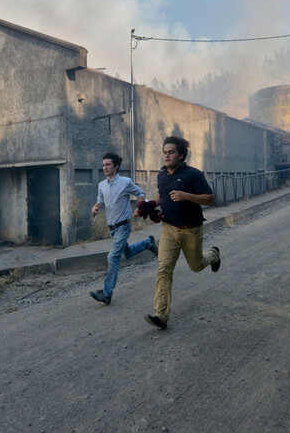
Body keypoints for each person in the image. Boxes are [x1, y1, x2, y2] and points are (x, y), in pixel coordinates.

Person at [145, 136, 221, 329]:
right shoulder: (161, 176)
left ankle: (213, 255)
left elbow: (211, 199)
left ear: (181, 155)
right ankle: (161, 315)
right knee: (164, 269)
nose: (166, 155)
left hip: (191, 229)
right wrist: (149, 205)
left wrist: (186, 196)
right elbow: (162, 195)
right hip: (169, 229)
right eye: (164, 152)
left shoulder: (193, 175)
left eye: (171, 152)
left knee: (196, 266)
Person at [90, 151, 159, 305]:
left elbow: (140, 193)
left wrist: (140, 208)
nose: (105, 167)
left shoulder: (125, 182)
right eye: (103, 165)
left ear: (116, 166)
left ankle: (106, 293)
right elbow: (101, 201)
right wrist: (95, 207)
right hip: (112, 228)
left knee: (113, 257)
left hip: (123, 226)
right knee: (126, 253)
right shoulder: (101, 185)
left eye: (108, 165)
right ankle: (148, 243)